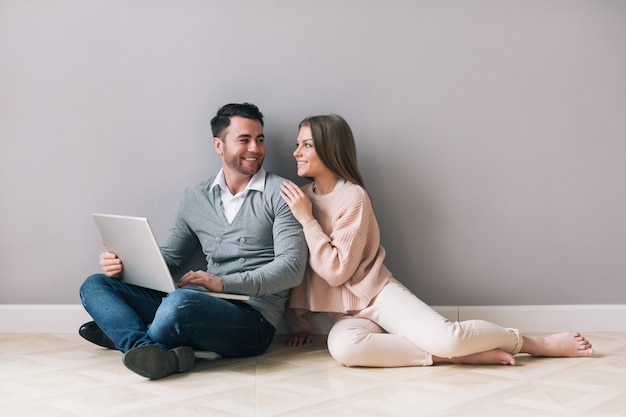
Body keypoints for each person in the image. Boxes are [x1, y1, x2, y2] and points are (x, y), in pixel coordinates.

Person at [279, 114, 594, 367]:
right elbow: (298, 267)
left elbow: (337, 271)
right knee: (345, 349)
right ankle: (451, 357)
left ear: (329, 148)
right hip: (344, 314)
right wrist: (300, 322)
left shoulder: (353, 197)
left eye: (306, 145)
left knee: (449, 337)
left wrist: (308, 219)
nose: (296, 153)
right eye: (298, 144)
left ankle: (534, 344)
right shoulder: (299, 198)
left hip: (378, 296)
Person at [79, 103, 308, 379]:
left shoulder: (281, 193)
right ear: (218, 145)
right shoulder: (194, 197)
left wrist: (223, 283)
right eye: (244, 140)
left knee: (178, 304)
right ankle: (146, 348)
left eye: (259, 140)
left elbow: (292, 268)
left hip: (252, 318)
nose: (255, 149)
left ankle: (126, 337)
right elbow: (172, 258)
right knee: (95, 284)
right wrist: (125, 262)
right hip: (200, 302)